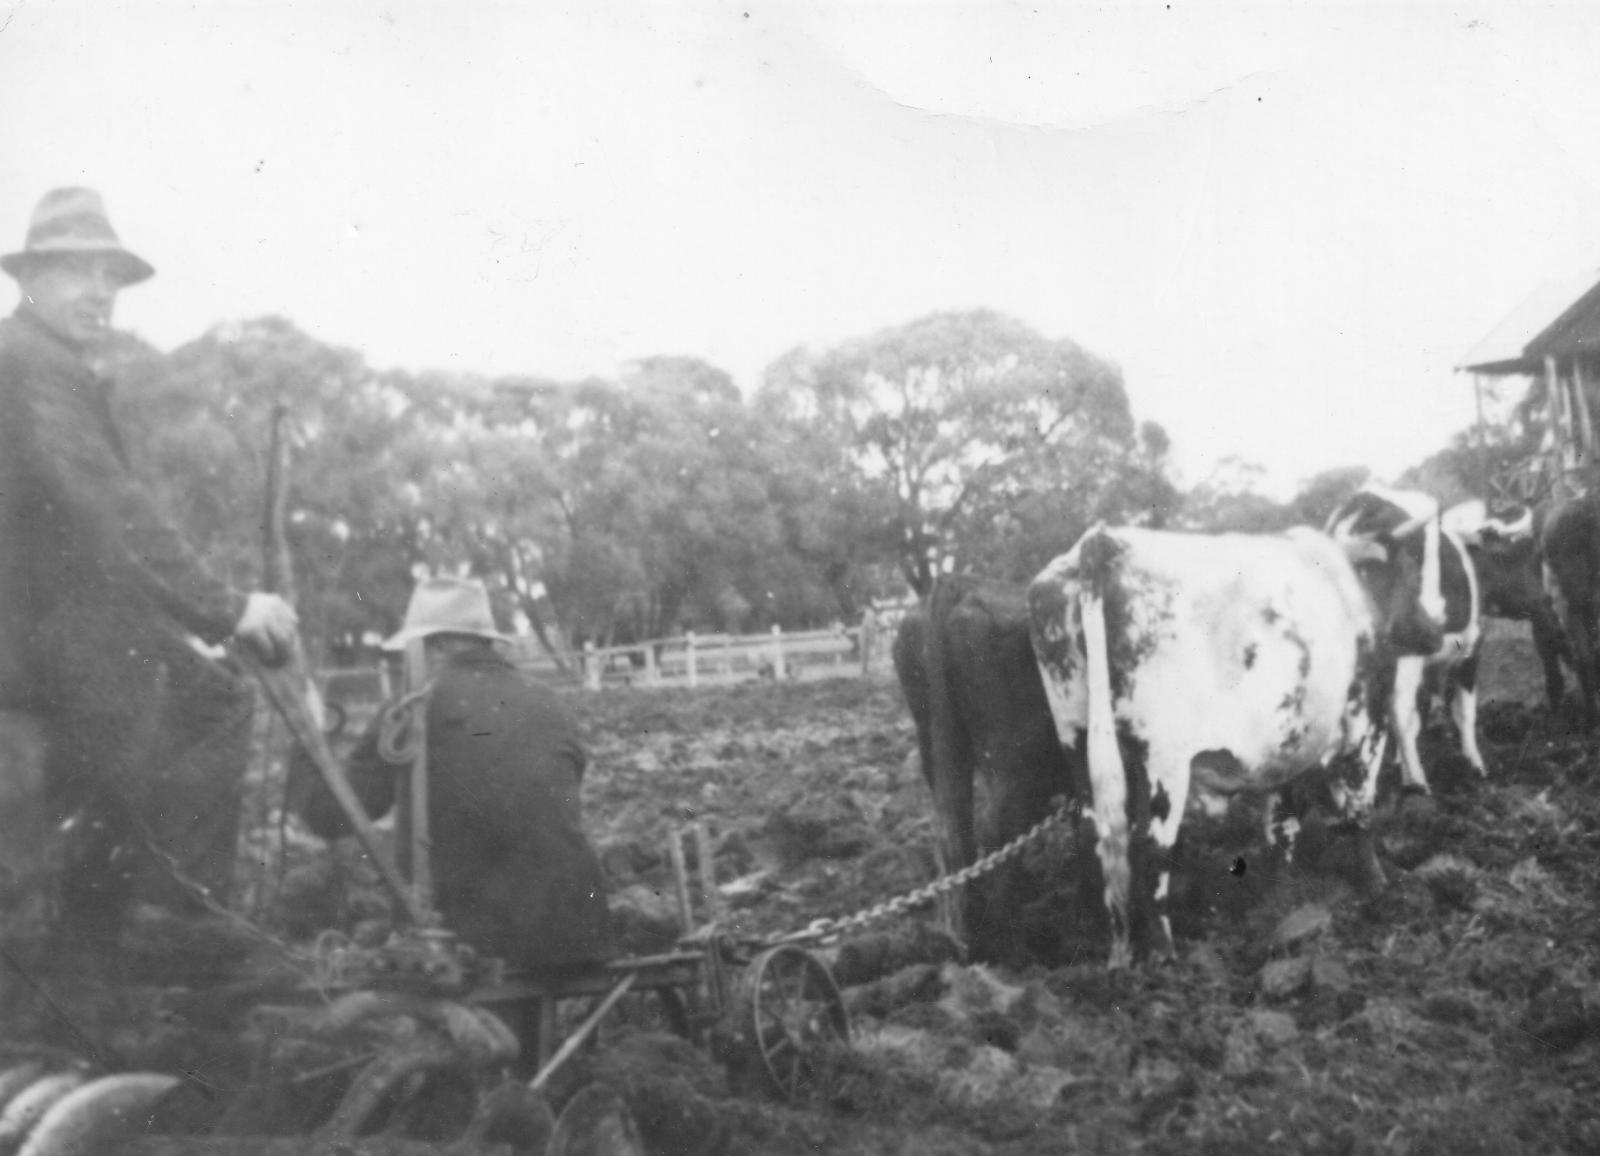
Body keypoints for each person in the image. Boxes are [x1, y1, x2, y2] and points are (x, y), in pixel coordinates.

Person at [0, 188, 299, 947]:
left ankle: (123, 931)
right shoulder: (37, 366)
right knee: (217, 704)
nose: (99, 293)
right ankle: (171, 917)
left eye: (110, 277)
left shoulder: (35, 362)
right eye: (77, 272)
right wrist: (228, 610)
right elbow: (107, 509)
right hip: (48, 652)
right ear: (29, 278)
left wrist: (176, 624)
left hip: (46, 635)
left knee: (180, 699)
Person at [295, 577, 615, 970]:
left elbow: (328, 813)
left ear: (439, 645)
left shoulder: (414, 710)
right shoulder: (550, 702)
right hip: (574, 929)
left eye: (416, 649)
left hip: (463, 942)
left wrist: (309, 736)